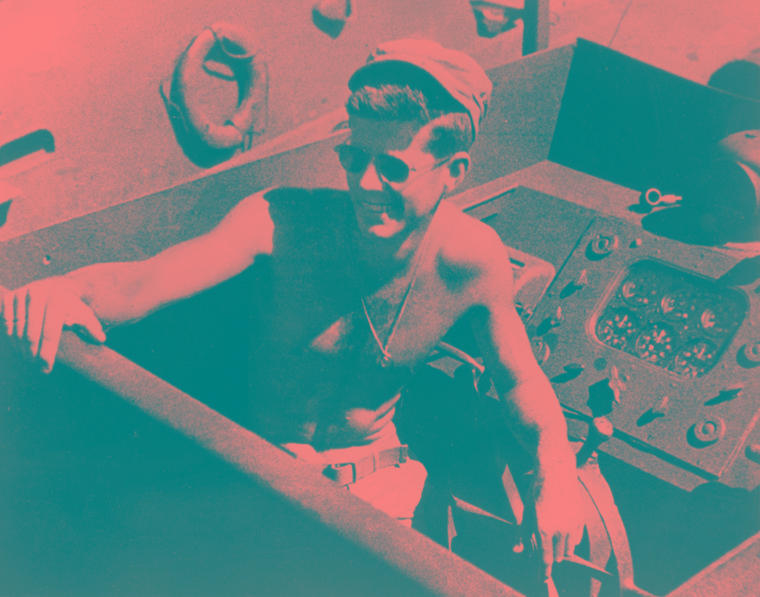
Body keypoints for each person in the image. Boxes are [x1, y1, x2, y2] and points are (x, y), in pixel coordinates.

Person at [1, 39, 583, 582]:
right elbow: (139, 286)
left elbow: (520, 380)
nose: (365, 183)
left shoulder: (471, 260)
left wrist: (555, 472)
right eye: (353, 157)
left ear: (454, 172)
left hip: (380, 486)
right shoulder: (281, 221)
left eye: (393, 168)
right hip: (263, 473)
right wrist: (62, 289)